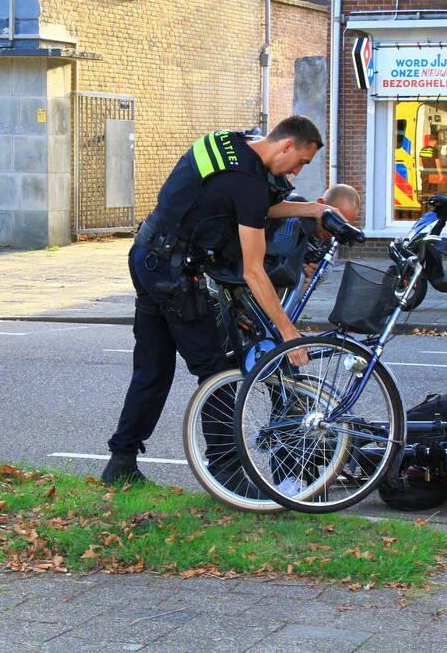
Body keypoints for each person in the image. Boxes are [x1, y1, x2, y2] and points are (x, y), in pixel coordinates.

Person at [102, 116, 339, 484]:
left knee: (153, 367)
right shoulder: (248, 183)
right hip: (174, 275)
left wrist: (308, 209)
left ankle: (121, 462)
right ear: (286, 145)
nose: (297, 171)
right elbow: (254, 272)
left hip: (147, 254)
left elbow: (245, 205)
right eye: (301, 161)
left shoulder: (228, 142)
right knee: (217, 372)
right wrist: (289, 332)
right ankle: (228, 474)